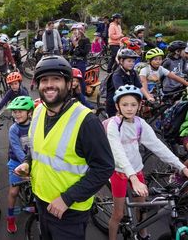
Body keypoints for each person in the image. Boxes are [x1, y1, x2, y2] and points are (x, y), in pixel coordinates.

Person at [14, 56, 114, 239]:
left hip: (69, 210)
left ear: (69, 84)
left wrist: (67, 199)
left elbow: (104, 167)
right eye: (44, 80)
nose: (49, 85)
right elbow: (37, 148)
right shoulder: (37, 111)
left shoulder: (86, 121)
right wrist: (28, 162)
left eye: (56, 79)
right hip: (42, 200)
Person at [106, 85, 188, 240]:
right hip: (119, 172)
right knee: (118, 214)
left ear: (139, 105)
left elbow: (158, 147)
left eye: (133, 105)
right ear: (117, 106)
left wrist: (182, 167)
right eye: (125, 105)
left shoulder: (139, 123)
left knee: (142, 208)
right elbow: (118, 153)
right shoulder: (113, 125)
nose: (129, 109)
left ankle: (142, 234)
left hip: (136, 170)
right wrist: (133, 179)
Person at [5, 96, 34, 234]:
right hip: (17, 162)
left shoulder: (35, 125)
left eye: (20, 111)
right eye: (15, 111)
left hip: (33, 161)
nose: (17, 114)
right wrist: (27, 164)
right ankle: (10, 216)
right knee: (14, 191)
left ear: (30, 112)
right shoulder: (14, 129)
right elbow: (16, 150)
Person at [105, 49, 154, 117]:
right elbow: (121, 91)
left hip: (128, 100)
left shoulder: (132, 72)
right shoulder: (117, 75)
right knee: (116, 123)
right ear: (121, 61)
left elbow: (139, 86)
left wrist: (148, 97)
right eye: (129, 61)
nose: (132, 63)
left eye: (133, 61)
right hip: (114, 102)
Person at [70, 24, 91, 95]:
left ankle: (82, 96)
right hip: (73, 61)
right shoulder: (75, 40)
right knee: (71, 77)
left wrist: (77, 46)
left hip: (81, 61)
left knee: (80, 78)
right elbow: (71, 52)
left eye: (78, 31)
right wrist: (73, 47)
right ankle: (72, 93)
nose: (76, 32)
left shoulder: (86, 40)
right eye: (75, 31)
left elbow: (85, 52)